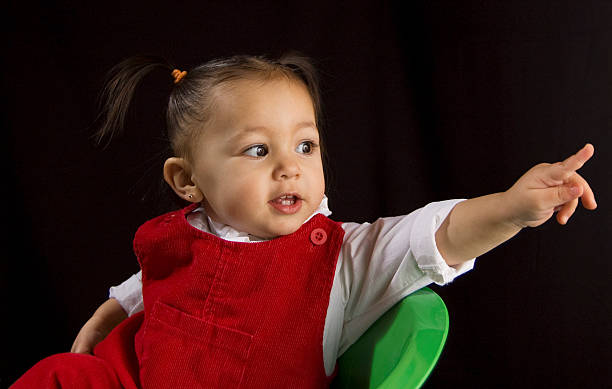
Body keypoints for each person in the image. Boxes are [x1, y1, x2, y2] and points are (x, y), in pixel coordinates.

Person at [11, 53, 597, 389]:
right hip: (134, 379)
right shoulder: (191, 231)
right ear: (188, 182)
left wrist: (515, 207)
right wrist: (109, 311)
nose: (291, 169)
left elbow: (439, 235)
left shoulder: (344, 257)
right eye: (258, 151)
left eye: (306, 146)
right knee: (59, 376)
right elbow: (155, 284)